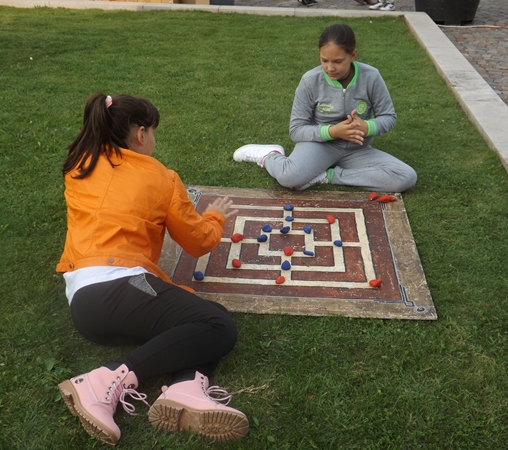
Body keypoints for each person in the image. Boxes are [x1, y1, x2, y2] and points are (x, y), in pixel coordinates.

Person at [55, 93, 248, 446]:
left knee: (205, 318)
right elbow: (198, 241)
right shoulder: (161, 178)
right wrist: (215, 216)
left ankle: (186, 387)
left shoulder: (80, 162)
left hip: (84, 302)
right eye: (154, 132)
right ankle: (104, 380)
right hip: (121, 287)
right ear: (140, 134)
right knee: (218, 326)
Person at [233, 23, 415, 193]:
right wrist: (333, 131)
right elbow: (296, 130)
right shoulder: (310, 81)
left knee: (405, 177)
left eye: (338, 61)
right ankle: (269, 156)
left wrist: (367, 127)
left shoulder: (371, 76)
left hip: (356, 150)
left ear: (353, 55)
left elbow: (388, 116)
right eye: (324, 60)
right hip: (319, 145)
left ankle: (327, 176)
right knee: (290, 177)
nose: (330, 68)